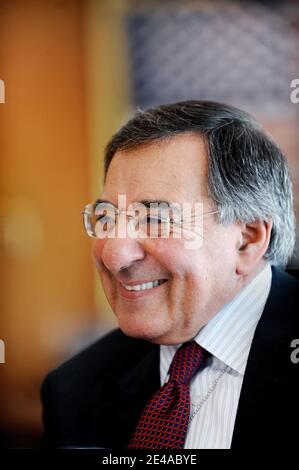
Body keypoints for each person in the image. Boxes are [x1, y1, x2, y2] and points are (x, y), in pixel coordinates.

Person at [41, 100, 299, 449]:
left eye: (155, 219)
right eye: (106, 217)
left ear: (247, 239)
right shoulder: (75, 389)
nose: (115, 254)